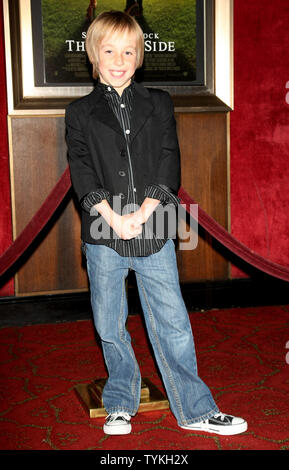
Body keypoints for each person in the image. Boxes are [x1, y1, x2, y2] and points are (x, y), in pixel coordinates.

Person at [65, 10, 248, 437]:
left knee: (174, 323)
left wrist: (144, 214)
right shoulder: (79, 113)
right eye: (109, 50)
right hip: (102, 228)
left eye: (128, 51)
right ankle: (120, 402)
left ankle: (197, 409)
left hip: (157, 222)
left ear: (140, 56)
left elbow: (169, 164)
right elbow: (82, 171)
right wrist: (112, 218)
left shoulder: (160, 102)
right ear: (94, 54)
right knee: (109, 324)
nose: (119, 59)